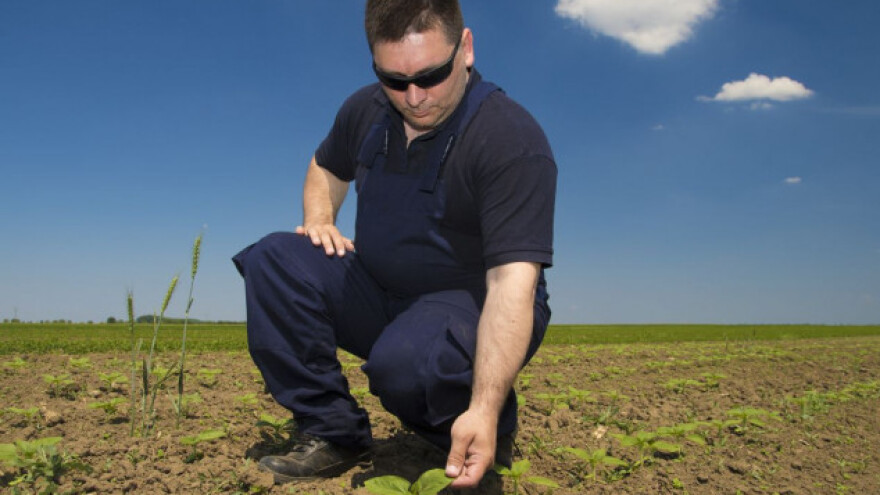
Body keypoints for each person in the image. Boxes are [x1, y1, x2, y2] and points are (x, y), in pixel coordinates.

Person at [233, 0, 556, 489]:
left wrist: (485, 407)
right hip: (379, 290)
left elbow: (512, 282)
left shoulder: (510, 139)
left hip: (473, 303)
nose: (414, 97)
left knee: (406, 367)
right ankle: (332, 432)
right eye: (395, 80)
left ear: (464, 49)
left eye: (431, 76)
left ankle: (479, 432)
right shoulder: (366, 109)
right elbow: (326, 165)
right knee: (274, 260)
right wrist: (320, 218)